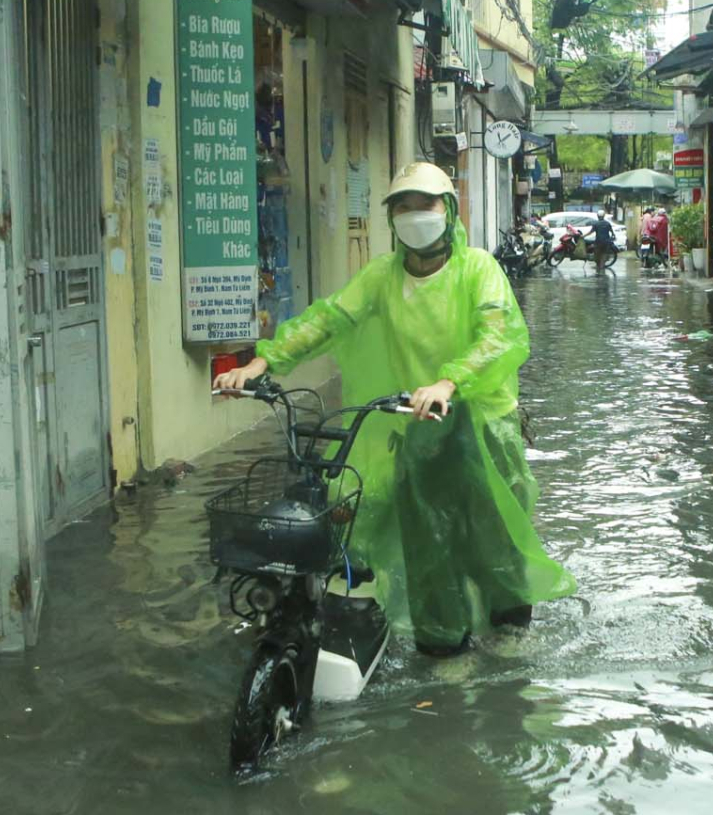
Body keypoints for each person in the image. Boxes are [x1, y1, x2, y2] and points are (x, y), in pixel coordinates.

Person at [213, 163, 574, 655]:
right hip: (417, 425)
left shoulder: (477, 269)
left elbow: (500, 336)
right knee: (427, 539)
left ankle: (511, 628)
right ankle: (442, 644)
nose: (412, 215)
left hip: (483, 423)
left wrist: (450, 381)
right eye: (401, 206)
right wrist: (262, 362)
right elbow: (329, 319)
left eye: (423, 204)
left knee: (495, 537)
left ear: (446, 211)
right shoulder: (383, 276)